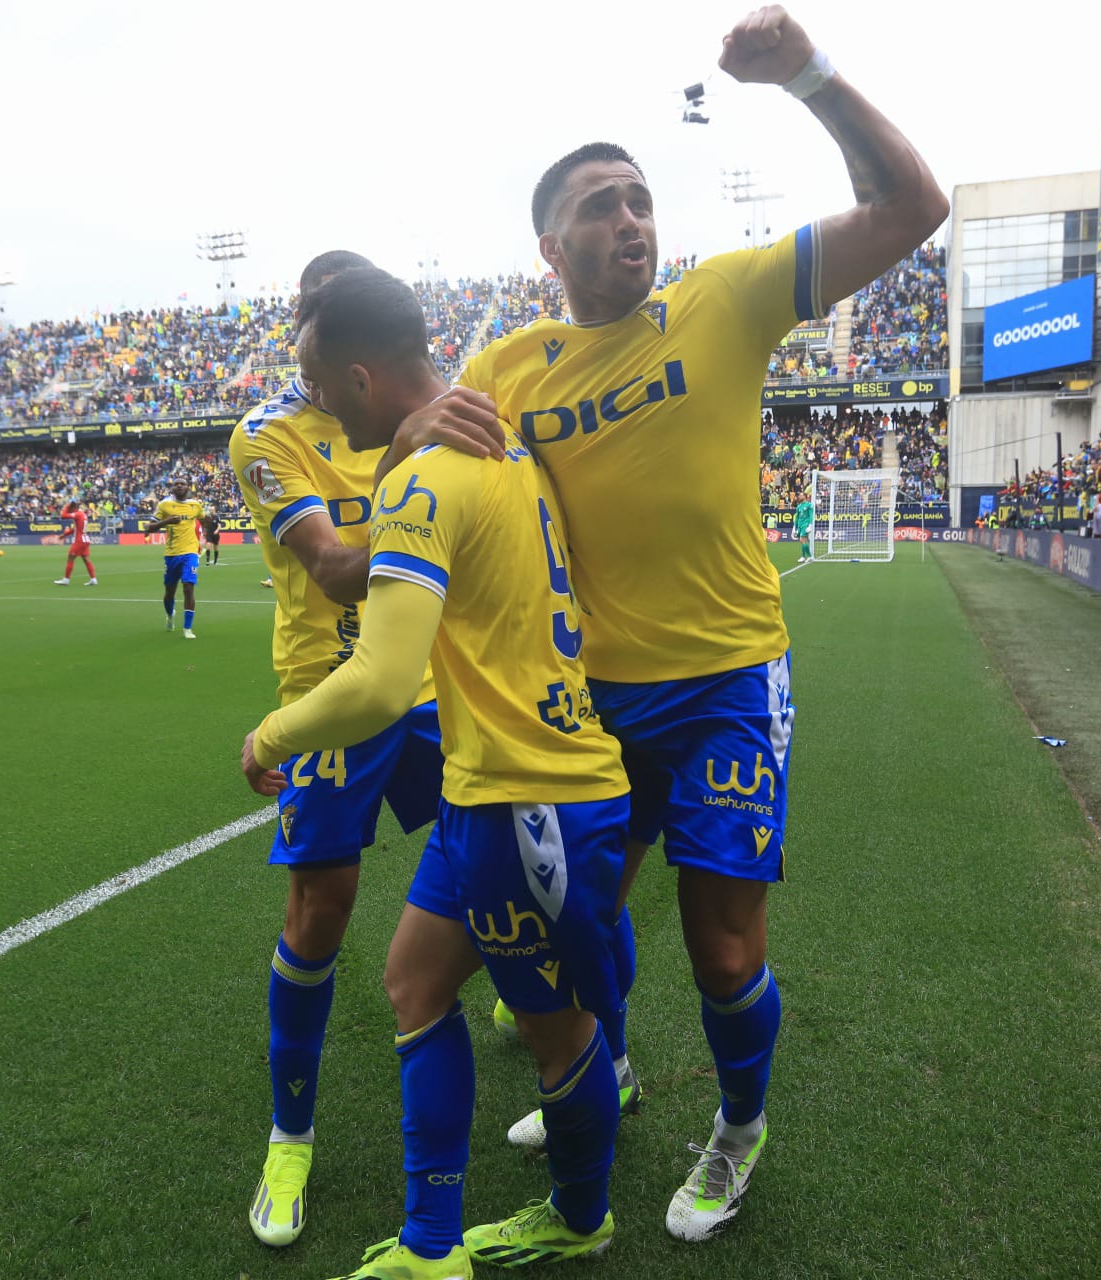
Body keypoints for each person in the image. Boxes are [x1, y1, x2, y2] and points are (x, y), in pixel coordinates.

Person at [383, 3, 947, 1240]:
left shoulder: (726, 299)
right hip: (585, 706)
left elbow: (913, 209)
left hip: (727, 682)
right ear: (551, 245)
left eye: (640, 199)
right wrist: (413, 432)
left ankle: (740, 1128)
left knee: (725, 950)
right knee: (581, 923)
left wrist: (811, 76)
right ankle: (619, 1069)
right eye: (600, 205)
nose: (631, 219)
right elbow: (423, 458)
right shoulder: (510, 365)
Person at [244, 267, 630, 1276]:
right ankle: (429, 1243)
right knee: (414, 981)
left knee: (559, 1031)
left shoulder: (426, 474)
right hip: (495, 781)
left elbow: (378, 681)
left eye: (325, 382)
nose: (318, 401)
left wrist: (270, 736)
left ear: (364, 377)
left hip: (527, 794)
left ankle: (580, 1215)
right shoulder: (498, 439)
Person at [225, 251, 444, 1250]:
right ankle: (290, 1133)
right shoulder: (267, 434)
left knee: (532, 868)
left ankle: (585, 1048)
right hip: (331, 695)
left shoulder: (407, 398)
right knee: (322, 906)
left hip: (439, 686)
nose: (307, 336)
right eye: (304, 313)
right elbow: (334, 569)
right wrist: (410, 453)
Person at [143, 481, 203, 637]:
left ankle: (187, 628)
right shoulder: (164, 505)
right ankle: (170, 615)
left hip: (190, 552)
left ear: (188, 488)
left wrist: (208, 536)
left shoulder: (195, 505)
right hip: (171, 554)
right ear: (173, 489)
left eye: (183, 484)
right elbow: (149, 527)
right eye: (176, 484)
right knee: (170, 591)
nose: (180, 486)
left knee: (188, 587)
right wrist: (167, 521)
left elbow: (204, 519)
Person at [53, 501, 97, 586]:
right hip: (85, 539)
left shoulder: (78, 514)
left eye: (71, 509)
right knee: (86, 560)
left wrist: (67, 506)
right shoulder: (83, 515)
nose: (70, 511)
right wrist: (64, 535)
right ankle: (93, 579)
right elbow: (75, 529)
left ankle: (66, 579)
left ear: (74, 508)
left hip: (80, 540)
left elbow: (63, 515)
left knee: (71, 557)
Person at [794, 494, 814, 560]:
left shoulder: (809, 505)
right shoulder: (799, 506)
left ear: (805, 496)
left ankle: (809, 556)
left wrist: (810, 525)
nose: (799, 496)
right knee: (802, 540)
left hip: (805, 524)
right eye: (799, 495)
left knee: (803, 539)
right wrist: (795, 527)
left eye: (801, 495)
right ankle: (804, 556)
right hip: (800, 525)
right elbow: (797, 517)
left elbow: (811, 516)